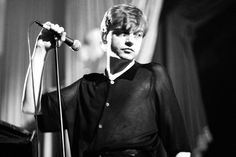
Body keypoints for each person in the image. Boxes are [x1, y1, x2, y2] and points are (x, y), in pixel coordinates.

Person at [21, 4, 191, 157]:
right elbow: (31, 107)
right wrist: (40, 49)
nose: (131, 41)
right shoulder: (86, 87)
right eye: (123, 33)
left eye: (138, 35)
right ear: (104, 37)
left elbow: (180, 150)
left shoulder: (152, 75)